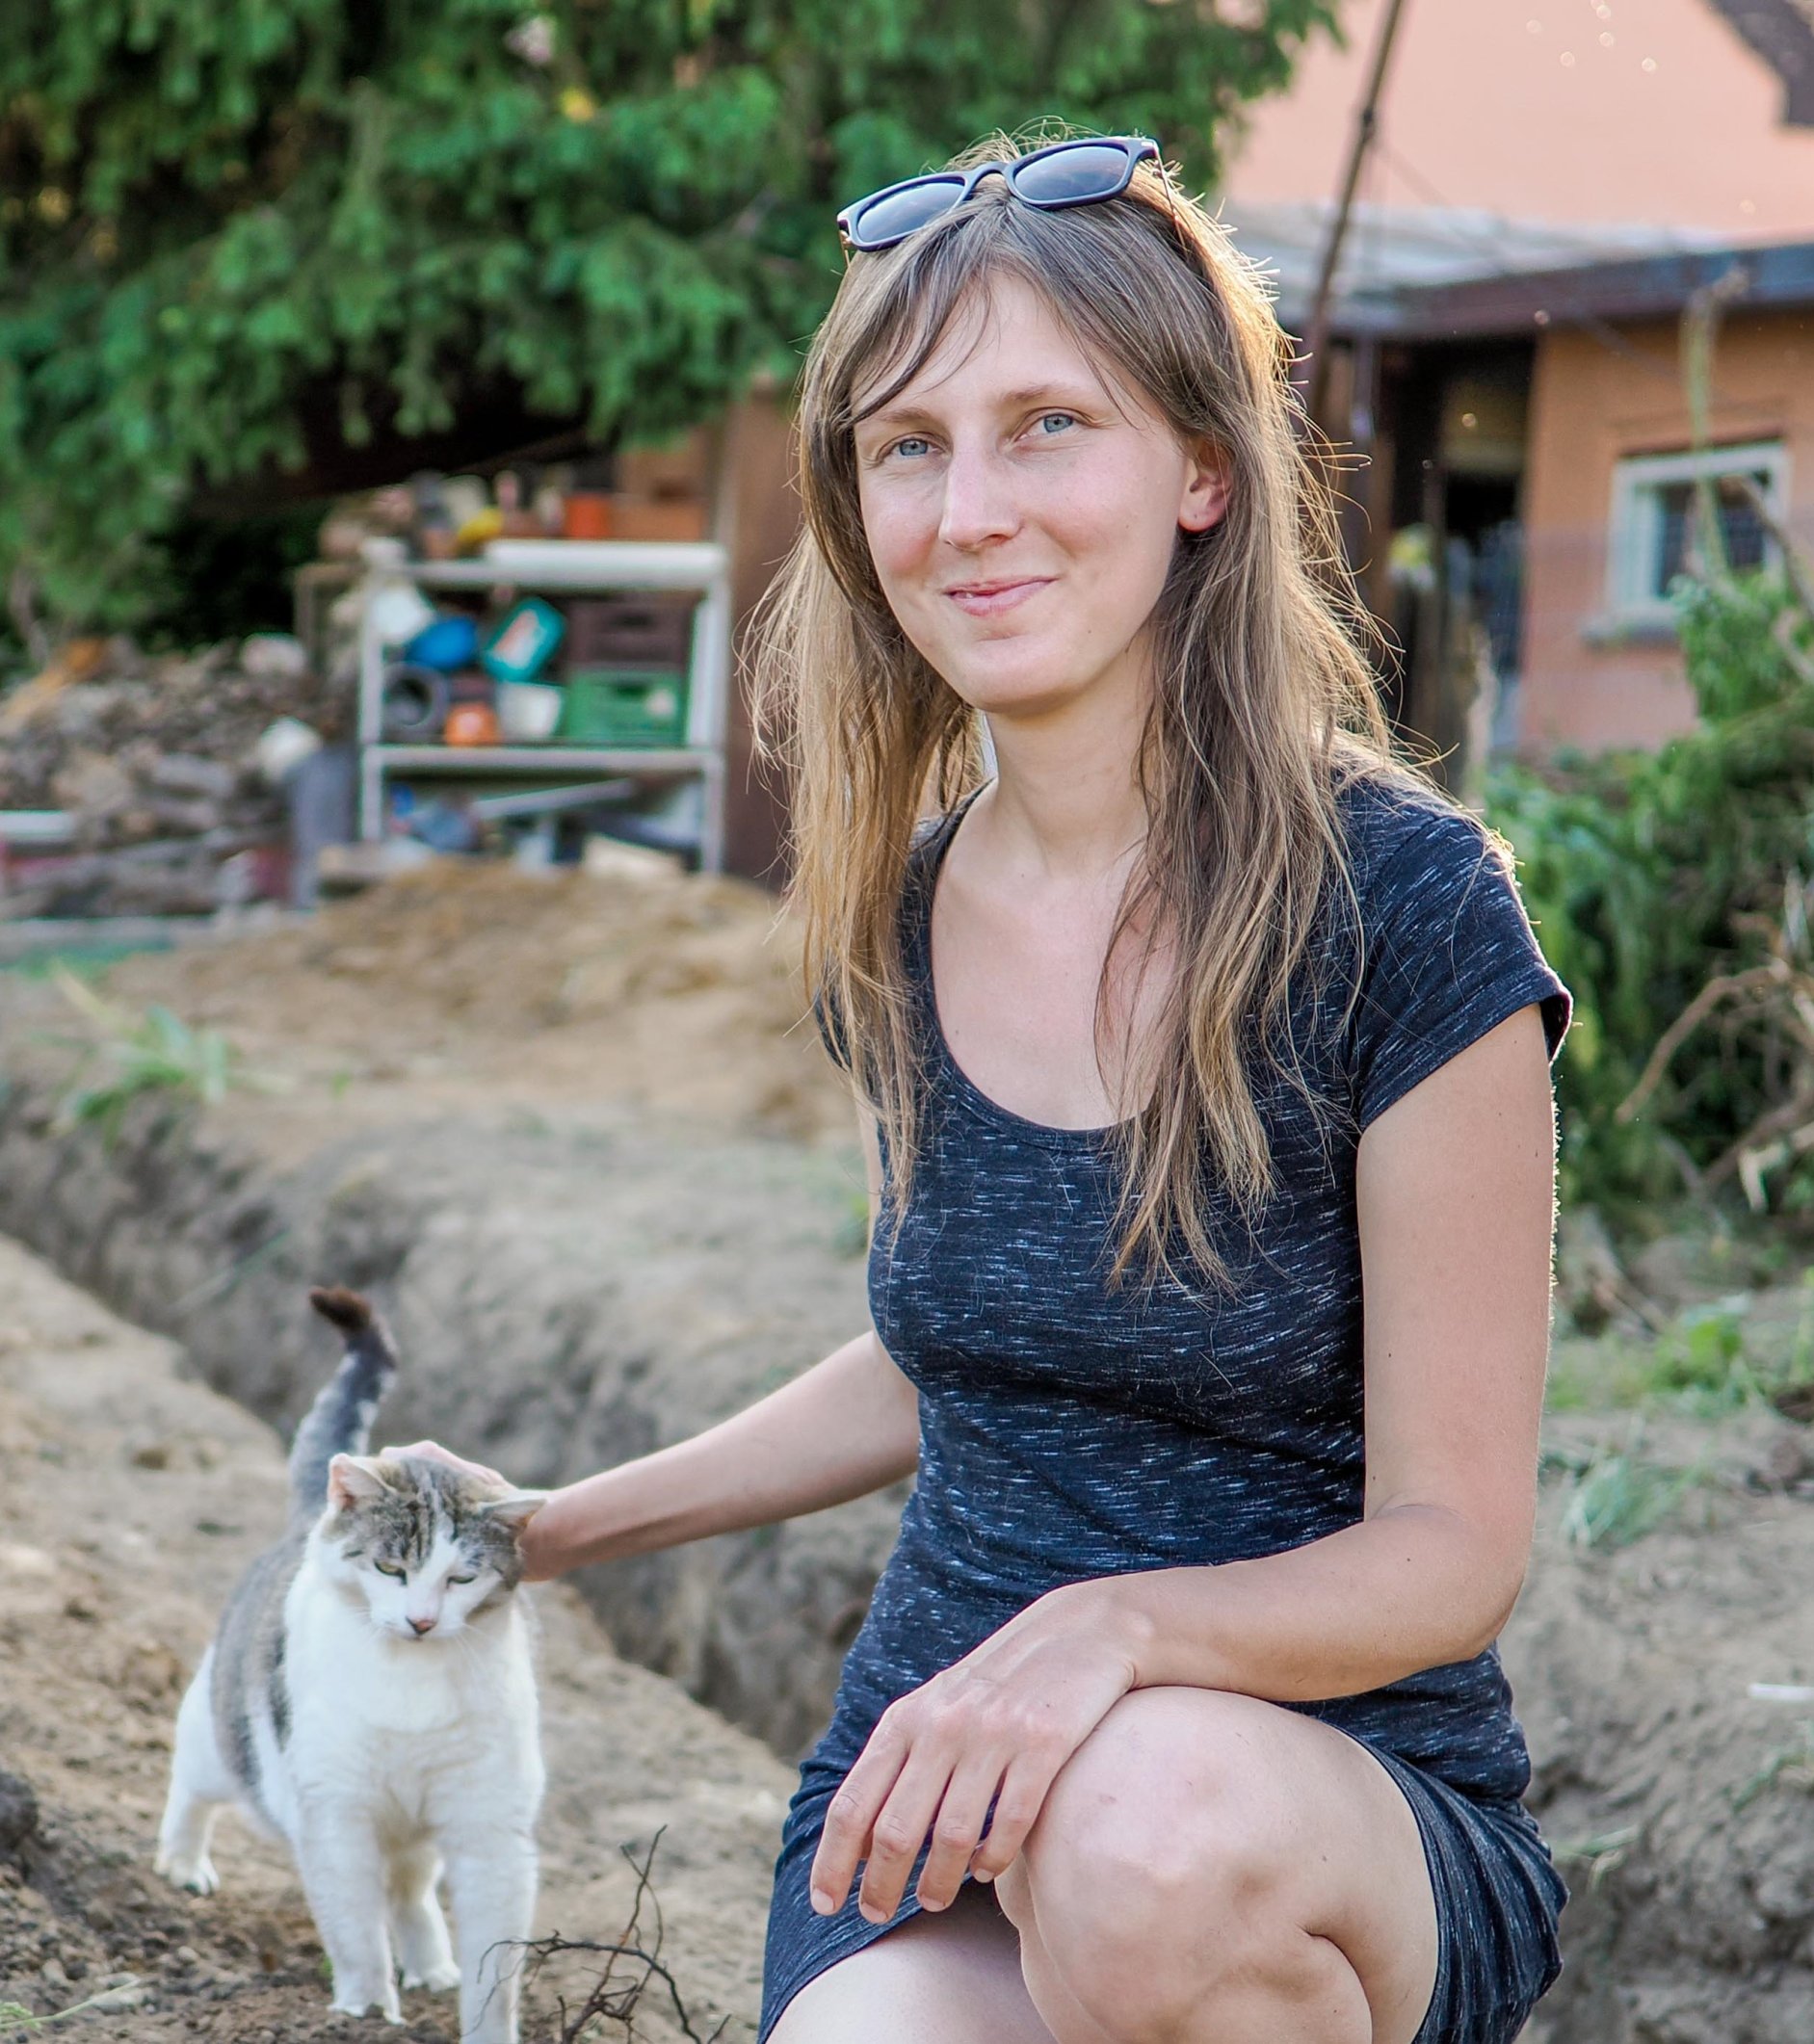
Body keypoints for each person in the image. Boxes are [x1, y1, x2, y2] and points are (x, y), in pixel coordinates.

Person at [397, 128, 1571, 2044]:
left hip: (1307, 1808)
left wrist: (1115, 1630)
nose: (969, 511)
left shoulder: (1408, 912)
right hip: (942, 1787)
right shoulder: (905, 905)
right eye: (908, 446)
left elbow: (1455, 1551)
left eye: (1048, 426)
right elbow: (948, 1334)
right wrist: (548, 1527)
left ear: (1203, 469)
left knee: (1144, 1836)